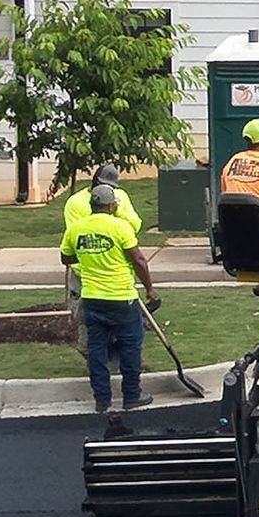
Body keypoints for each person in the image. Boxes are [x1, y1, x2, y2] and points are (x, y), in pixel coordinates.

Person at [60, 182, 159, 414]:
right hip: (122, 298)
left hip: (92, 299)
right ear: (112, 206)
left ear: (92, 205)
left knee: (96, 350)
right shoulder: (120, 228)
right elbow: (139, 261)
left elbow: (66, 258)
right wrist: (150, 289)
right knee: (131, 346)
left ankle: (102, 400)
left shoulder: (76, 229)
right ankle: (132, 396)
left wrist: (90, 256)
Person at [61, 163, 142, 233]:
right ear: (95, 181)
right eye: (102, 184)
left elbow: (136, 226)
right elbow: (74, 233)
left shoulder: (121, 195)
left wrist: (118, 211)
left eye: (111, 187)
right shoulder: (75, 201)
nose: (106, 189)